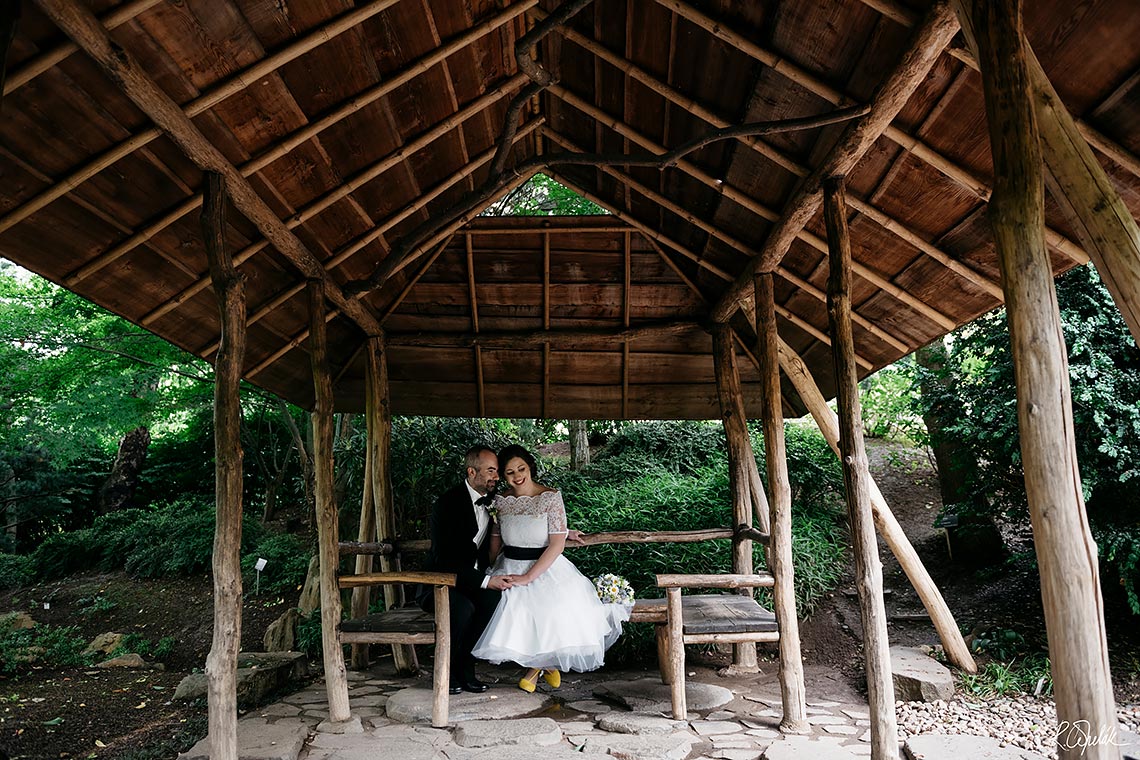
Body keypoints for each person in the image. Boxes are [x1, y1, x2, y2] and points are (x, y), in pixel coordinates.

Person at [471, 444, 628, 691]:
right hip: (508, 564)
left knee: (552, 610)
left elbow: (556, 544)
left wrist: (529, 577)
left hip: (545, 566)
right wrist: (488, 567)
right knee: (507, 608)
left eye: (521, 468)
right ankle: (548, 665)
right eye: (510, 472)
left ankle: (534, 671)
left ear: (530, 467)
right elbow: (495, 539)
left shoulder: (551, 497)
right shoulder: (500, 501)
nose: (517, 476)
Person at [419, 446, 511, 694]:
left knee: (493, 599)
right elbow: (444, 559)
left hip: (470, 583)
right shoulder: (447, 504)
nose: (496, 476)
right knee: (463, 608)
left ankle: (466, 669)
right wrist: (484, 581)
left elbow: (527, 521)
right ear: (472, 471)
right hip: (439, 582)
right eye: (491, 470)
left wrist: (565, 532)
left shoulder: (495, 501)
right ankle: (445, 671)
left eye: (497, 471)